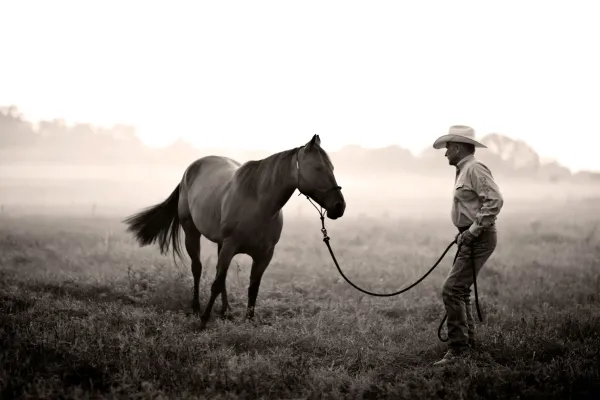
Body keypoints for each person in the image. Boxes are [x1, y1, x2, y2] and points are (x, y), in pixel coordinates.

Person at [431, 125, 504, 366]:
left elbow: (494, 200)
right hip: (469, 235)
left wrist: (472, 231)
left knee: (451, 289)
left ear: (459, 147)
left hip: (478, 236)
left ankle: (458, 350)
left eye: (449, 147)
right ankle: (467, 344)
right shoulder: (464, 170)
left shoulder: (474, 169)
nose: (445, 153)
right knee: (460, 290)